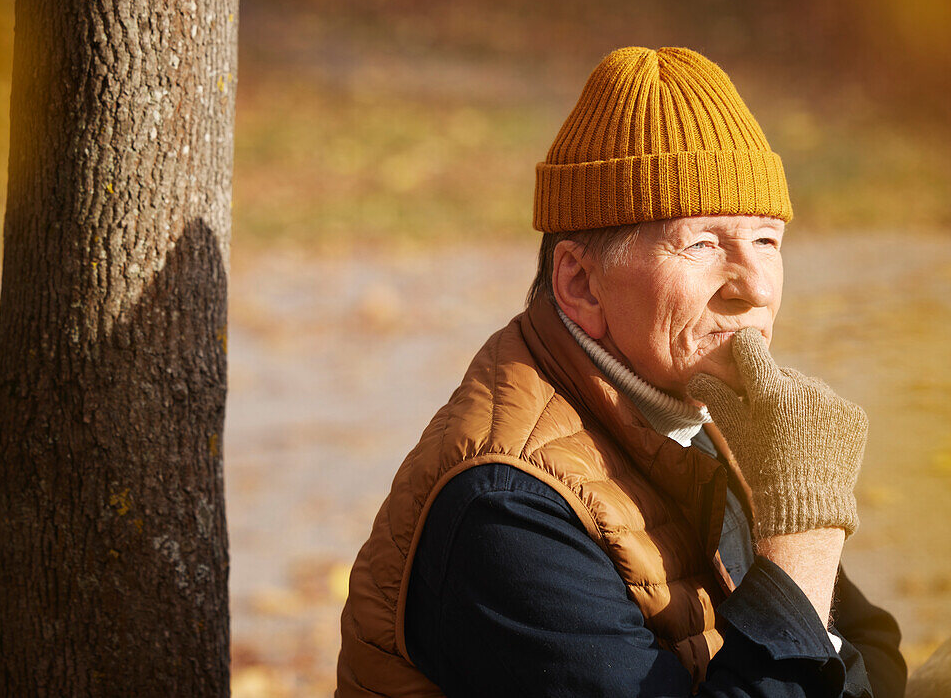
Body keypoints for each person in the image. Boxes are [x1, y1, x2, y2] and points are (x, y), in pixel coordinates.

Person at [335, 46, 906, 697]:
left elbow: (875, 647)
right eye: (702, 243)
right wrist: (804, 529)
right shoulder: (507, 507)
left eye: (767, 240)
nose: (754, 287)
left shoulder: (703, 410)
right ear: (580, 283)